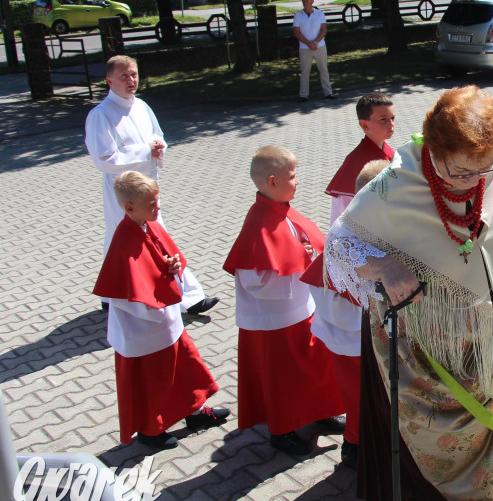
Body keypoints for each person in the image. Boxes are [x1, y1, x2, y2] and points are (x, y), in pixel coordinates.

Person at [324, 86, 493, 501]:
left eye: (483, 170)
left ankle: (487, 500)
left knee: (492, 428)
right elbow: (340, 242)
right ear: (435, 149)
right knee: (429, 447)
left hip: (489, 335)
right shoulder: (396, 180)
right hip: (423, 344)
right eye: (459, 171)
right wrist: (383, 264)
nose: (473, 181)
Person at [93, 171, 229, 450]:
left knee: (187, 369)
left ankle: (194, 413)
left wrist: (173, 267)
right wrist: (156, 311)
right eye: (152, 204)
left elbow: (166, 260)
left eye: (158, 201)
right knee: (154, 382)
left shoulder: (148, 224)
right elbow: (124, 294)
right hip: (145, 329)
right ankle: (150, 431)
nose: (159, 208)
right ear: (130, 207)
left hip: (166, 320)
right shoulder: (124, 243)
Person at [223, 146, 345, 455]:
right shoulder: (258, 224)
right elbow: (254, 282)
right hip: (275, 320)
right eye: (293, 176)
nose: (298, 181)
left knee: (315, 365)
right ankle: (283, 430)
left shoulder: (283, 210)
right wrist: (297, 264)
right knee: (284, 378)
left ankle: (319, 412)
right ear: (273, 181)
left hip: (301, 310)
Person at [85, 55, 218, 316]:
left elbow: (158, 136)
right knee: (148, 238)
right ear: (109, 80)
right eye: (124, 76)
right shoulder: (100, 115)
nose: (131, 80)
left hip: (149, 187)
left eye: (133, 74)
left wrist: (158, 147)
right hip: (123, 192)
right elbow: (104, 159)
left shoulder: (142, 106)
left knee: (131, 238)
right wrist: (145, 151)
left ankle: (110, 295)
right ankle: (189, 296)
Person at [301, 158, 390, 471]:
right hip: (352, 341)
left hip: (361, 338)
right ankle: (356, 449)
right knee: (361, 399)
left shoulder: (370, 228)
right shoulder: (346, 241)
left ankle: (361, 444)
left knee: (368, 399)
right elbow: (331, 296)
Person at [325, 93, 396, 225]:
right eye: (383, 119)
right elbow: (344, 211)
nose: (391, 124)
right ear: (364, 125)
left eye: (393, 117)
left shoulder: (389, 151)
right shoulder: (356, 163)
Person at [292, 0, 335, 102]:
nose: (305, 2)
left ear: (312, 1)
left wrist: (315, 42)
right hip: (304, 47)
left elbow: (324, 29)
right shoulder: (298, 15)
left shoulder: (320, 14)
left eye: (307, 0)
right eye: (303, 0)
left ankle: (328, 92)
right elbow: (296, 32)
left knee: (323, 69)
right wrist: (308, 43)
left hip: (320, 46)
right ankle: (303, 95)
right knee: (305, 71)